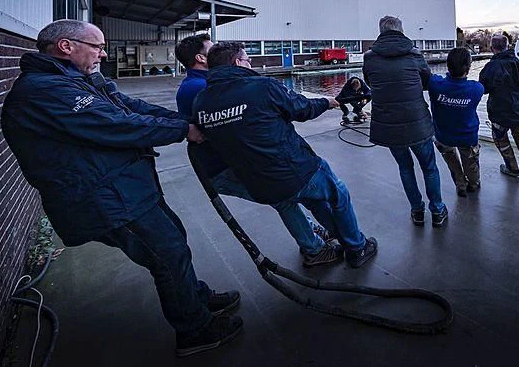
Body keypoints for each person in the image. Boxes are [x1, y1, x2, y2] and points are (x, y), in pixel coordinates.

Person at [0, 20, 242, 357]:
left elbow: (131, 108)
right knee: (166, 252)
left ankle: (195, 297)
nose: (103, 53)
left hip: (125, 186)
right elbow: (116, 124)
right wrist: (183, 132)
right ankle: (195, 330)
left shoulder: (78, 79)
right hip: (102, 195)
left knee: (173, 239)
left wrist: (184, 123)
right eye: (97, 46)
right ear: (66, 47)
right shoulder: (45, 91)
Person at [192, 42, 378, 268]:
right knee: (338, 195)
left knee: (309, 203)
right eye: (248, 59)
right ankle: (357, 248)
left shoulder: (201, 102)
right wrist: (326, 101)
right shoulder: (262, 87)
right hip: (296, 168)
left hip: (259, 182)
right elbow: (301, 108)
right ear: (237, 62)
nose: (251, 64)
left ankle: (331, 242)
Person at [362, 16, 448, 227]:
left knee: (405, 168)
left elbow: (369, 81)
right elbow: (427, 81)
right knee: (429, 167)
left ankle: (417, 211)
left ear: (381, 31)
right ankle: (437, 211)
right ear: (401, 31)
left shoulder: (370, 58)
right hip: (417, 122)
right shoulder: (414, 54)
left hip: (389, 124)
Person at [478, 34, 519, 179]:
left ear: (492, 48)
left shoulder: (490, 67)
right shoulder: (517, 63)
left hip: (500, 114)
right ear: (507, 46)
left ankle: (512, 167)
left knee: (500, 138)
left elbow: (483, 89)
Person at [428, 48, 484, 197]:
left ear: (448, 65)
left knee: (452, 163)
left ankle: (460, 185)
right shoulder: (476, 89)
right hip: (467, 137)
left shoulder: (435, 84)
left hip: (443, 136)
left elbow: (427, 74)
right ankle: (473, 184)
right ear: (468, 67)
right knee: (471, 165)